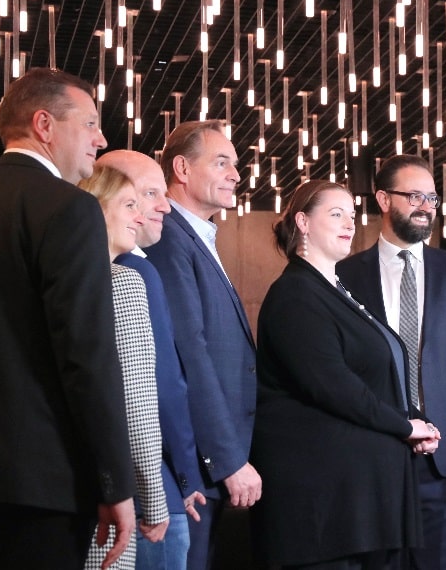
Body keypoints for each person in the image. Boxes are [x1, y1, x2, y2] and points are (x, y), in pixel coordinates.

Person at [0, 67, 135, 568]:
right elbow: (86, 356)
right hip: (38, 489)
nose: (101, 138)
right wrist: (114, 480)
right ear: (44, 125)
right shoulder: (68, 209)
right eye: (90, 123)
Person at [250, 180, 439, 569]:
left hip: (358, 501)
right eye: (335, 214)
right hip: (324, 508)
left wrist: (409, 422)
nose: (349, 224)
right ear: (302, 221)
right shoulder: (296, 294)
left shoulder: (335, 288)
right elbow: (334, 386)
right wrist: (404, 427)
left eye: (351, 216)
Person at [337, 155, 446, 570]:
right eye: (415, 196)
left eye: (433, 198)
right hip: (373, 454)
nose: (426, 206)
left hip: (441, 459)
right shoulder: (344, 275)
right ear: (384, 198)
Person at [144, 120, 260, 569]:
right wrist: (227, 459)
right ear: (181, 168)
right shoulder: (170, 239)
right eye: (222, 162)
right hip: (193, 467)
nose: (236, 173)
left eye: (235, 164)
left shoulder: (198, 237)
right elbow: (188, 354)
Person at [97, 149, 208, 570]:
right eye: (144, 195)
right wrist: (183, 476)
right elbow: (156, 390)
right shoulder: (131, 275)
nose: (164, 205)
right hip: (147, 489)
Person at [79, 166, 169, 569]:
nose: (140, 215)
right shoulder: (123, 282)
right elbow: (135, 404)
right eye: (130, 204)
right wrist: (153, 499)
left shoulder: (54, 280)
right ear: (95, 209)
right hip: (103, 497)